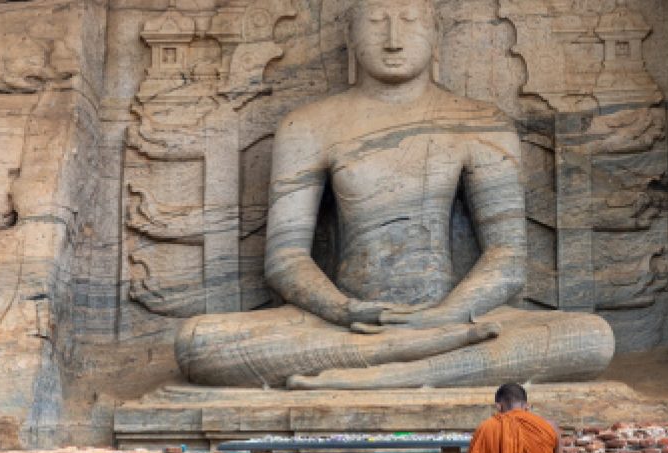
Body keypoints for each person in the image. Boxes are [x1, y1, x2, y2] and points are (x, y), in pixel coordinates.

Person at [173, 0, 614, 391]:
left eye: (409, 19)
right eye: (377, 21)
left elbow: (507, 258)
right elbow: (285, 260)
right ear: (350, 37)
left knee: (590, 338)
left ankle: (392, 372)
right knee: (199, 343)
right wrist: (344, 310)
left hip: (456, 317)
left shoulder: (480, 123)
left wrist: (445, 316)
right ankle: (427, 358)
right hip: (344, 326)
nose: (393, 37)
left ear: (435, 35)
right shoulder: (307, 125)